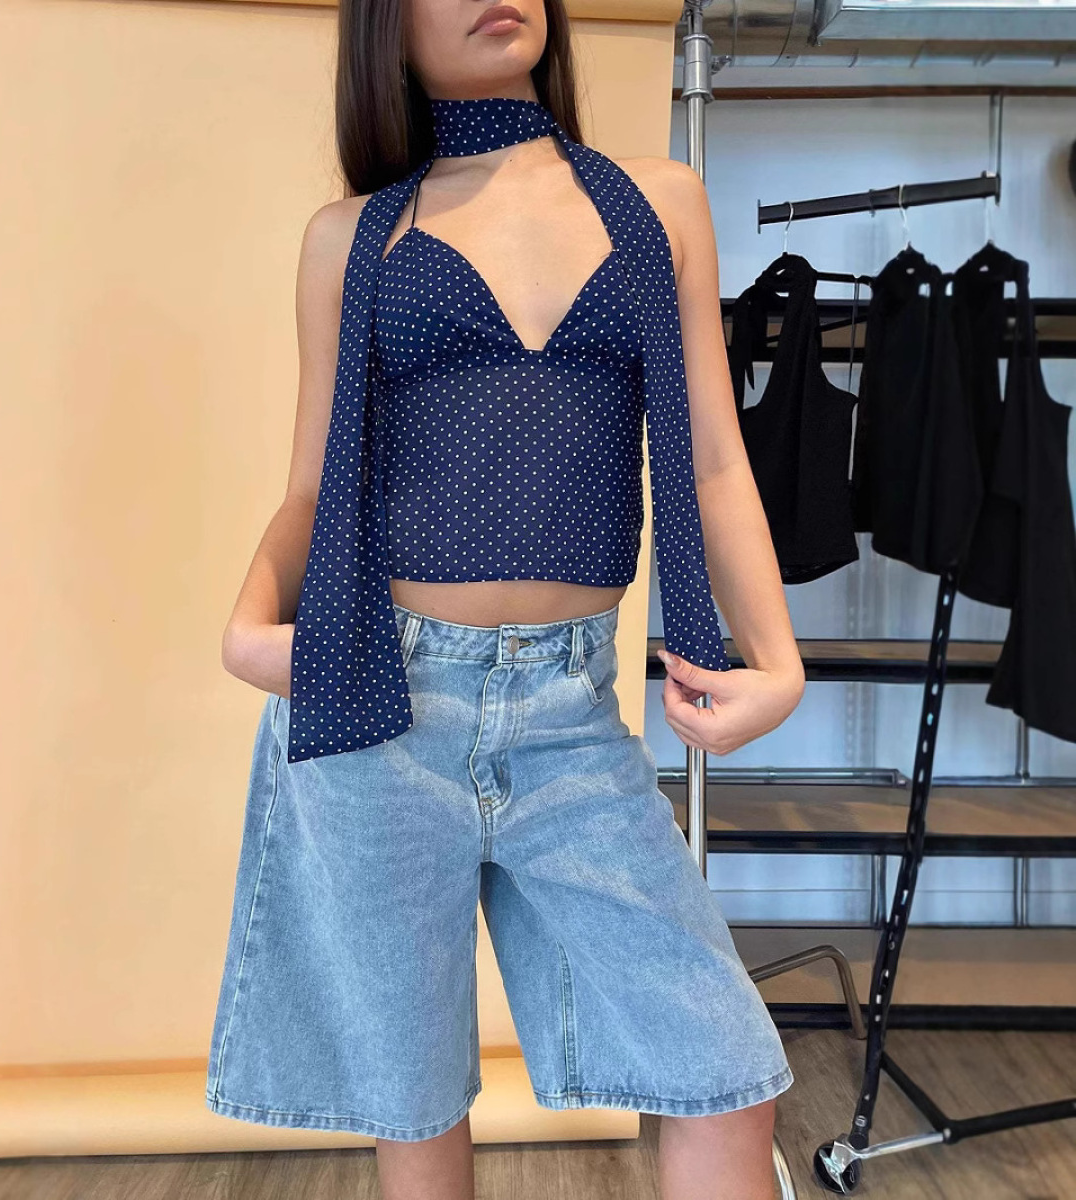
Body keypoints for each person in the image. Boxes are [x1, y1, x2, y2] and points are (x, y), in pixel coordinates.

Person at [206, 2, 806, 1198]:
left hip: (572, 714)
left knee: (724, 1073)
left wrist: (778, 661)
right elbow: (313, 487)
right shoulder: (352, 237)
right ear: (385, 28)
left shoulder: (659, 203)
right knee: (416, 1097)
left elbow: (711, 458)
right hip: (381, 708)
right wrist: (246, 626)